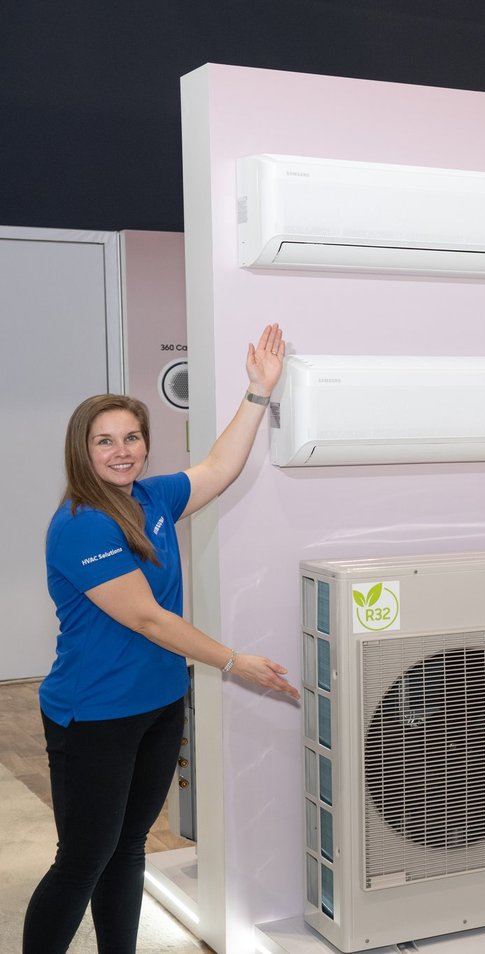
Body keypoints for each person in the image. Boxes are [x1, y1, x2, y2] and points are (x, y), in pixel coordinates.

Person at [23, 323, 300, 954]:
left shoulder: (152, 497)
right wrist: (234, 662)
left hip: (159, 702)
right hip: (94, 713)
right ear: (82, 451)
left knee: (128, 848)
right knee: (82, 860)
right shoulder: (81, 525)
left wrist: (258, 392)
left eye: (132, 437)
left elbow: (219, 467)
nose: (122, 451)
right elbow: (147, 618)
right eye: (105, 441)